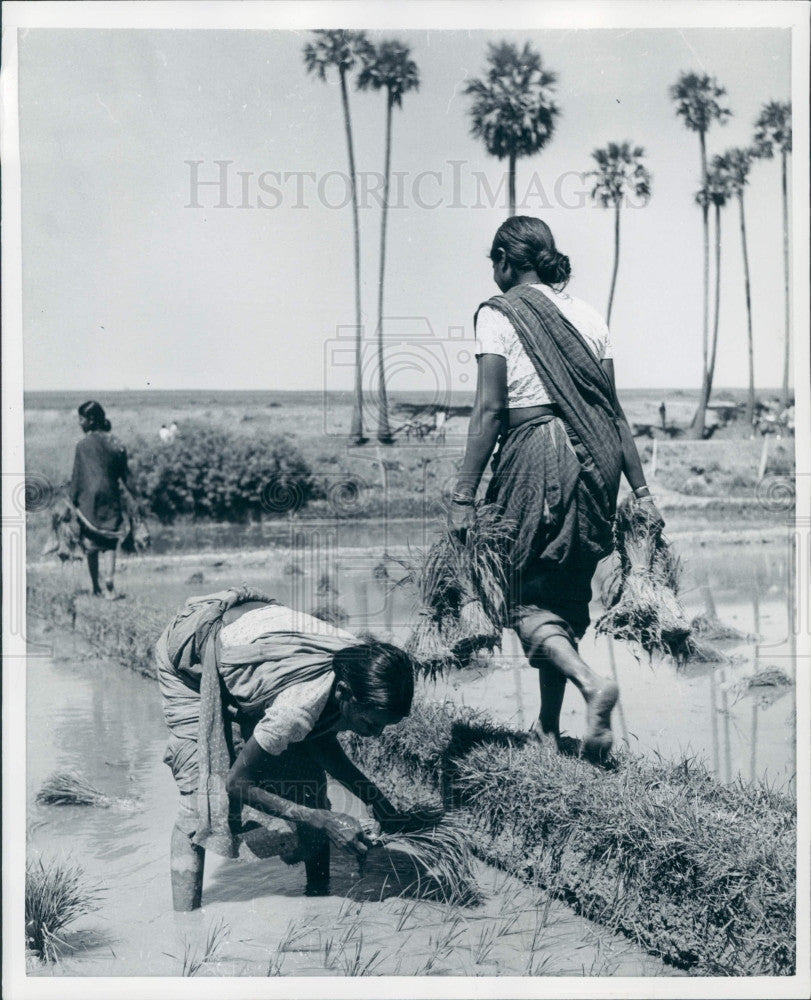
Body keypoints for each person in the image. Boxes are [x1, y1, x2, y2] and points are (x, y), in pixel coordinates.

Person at [448, 216, 664, 758]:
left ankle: (591, 684)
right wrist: (641, 494)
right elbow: (614, 415)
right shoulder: (589, 315)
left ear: (504, 260)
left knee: (513, 590)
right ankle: (547, 725)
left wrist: (463, 496)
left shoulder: (499, 314)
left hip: (536, 458)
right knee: (563, 596)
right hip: (598, 465)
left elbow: (492, 408)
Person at [157, 587, 423, 910]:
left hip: (249, 643)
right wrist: (323, 820)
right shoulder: (295, 710)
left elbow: (319, 739)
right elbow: (237, 783)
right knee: (199, 801)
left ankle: (318, 905)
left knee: (311, 789)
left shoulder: (359, 663)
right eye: (370, 724)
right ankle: (186, 928)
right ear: (344, 694)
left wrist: (377, 802)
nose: (376, 734)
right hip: (189, 660)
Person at [70, 400, 133, 599]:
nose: (79, 423)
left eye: (81, 419)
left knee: (91, 544)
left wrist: (72, 499)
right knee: (111, 540)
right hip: (111, 496)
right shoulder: (115, 442)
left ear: (90, 420)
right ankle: (109, 583)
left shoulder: (82, 445)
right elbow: (124, 474)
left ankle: (96, 588)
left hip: (89, 499)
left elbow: (77, 476)